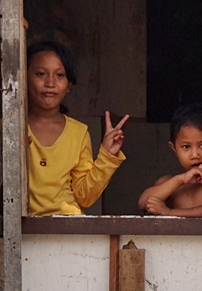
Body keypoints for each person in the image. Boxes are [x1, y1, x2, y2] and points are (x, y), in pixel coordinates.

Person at [27, 40, 129, 216]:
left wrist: (107, 155)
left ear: (69, 86)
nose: (50, 82)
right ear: (24, 78)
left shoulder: (78, 132)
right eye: (41, 74)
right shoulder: (12, 129)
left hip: (69, 228)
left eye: (60, 75)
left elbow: (84, 197)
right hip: (21, 229)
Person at [138, 103, 202, 217]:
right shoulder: (169, 182)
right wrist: (181, 179)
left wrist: (169, 212)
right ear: (174, 148)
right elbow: (143, 203)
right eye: (186, 147)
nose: (195, 155)